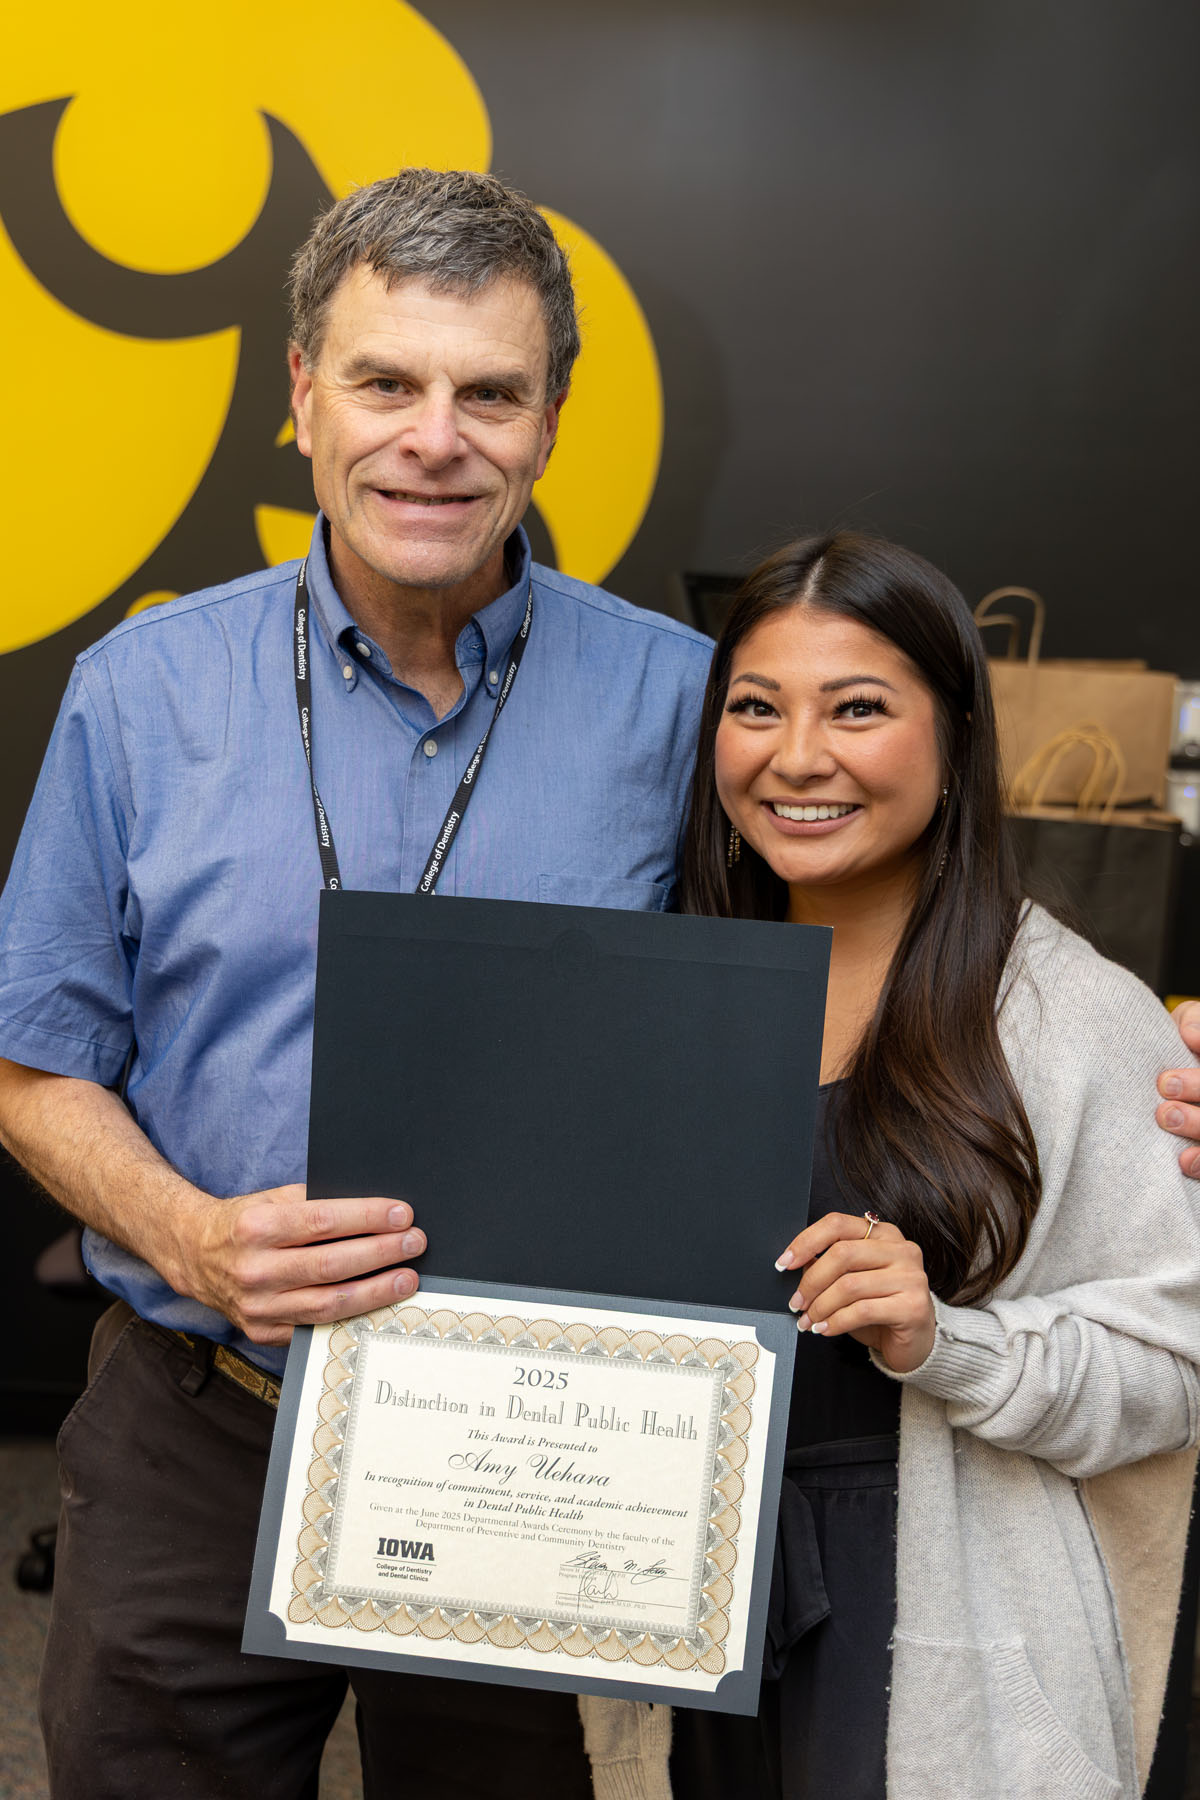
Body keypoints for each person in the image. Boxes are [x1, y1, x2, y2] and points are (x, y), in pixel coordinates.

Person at [0, 166, 1196, 1798]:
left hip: (547, 1443)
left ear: (551, 421)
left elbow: (891, 930)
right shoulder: (141, 692)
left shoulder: (685, 702)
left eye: (490, 393)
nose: (435, 439)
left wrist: (1147, 1049)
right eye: (386, 383)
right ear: (301, 395)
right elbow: (32, 1062)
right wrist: (190, 1233)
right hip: (202, 1413)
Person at [580, 531, 1200, 1800]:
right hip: (671, 1590)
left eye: (858, 709)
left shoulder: (1071, 1015)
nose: (798, 756)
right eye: (757, 708)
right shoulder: (650, 992)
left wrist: (941, 1340)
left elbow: (1169, 1369)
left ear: (956, 737)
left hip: (941, 1603)